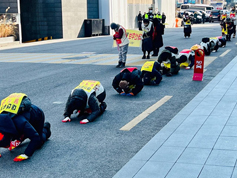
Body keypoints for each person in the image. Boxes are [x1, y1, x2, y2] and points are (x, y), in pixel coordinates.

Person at [0, 93, 51, 162]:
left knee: (38, 142)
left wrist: (26, 154)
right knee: (19, 134)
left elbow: (35, 138)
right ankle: (22, 136)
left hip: (37, 115)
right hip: (23, 119)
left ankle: (46, 128)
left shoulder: (20, 123)